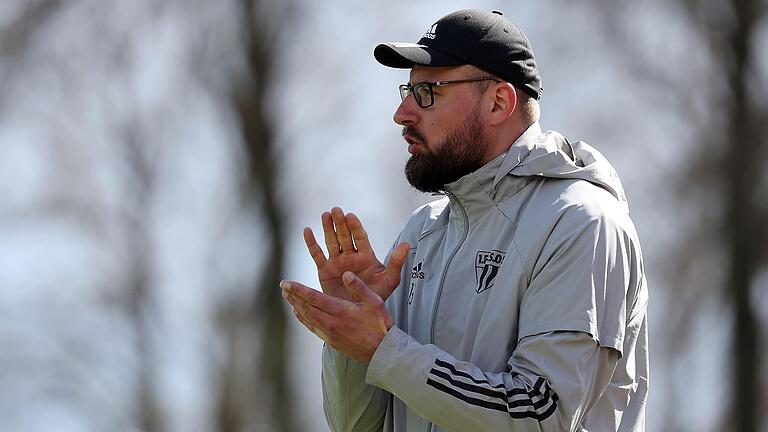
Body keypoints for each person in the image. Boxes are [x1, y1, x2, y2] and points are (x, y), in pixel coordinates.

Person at [280, 9, 648, 432]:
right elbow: (357, 427)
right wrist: (351, 337)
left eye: (428, 91)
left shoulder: (581, 223)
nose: (402, 113)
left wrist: (385, 349)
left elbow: (541, 416)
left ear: (498, 103)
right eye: (408, 90)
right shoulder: (422, 233)